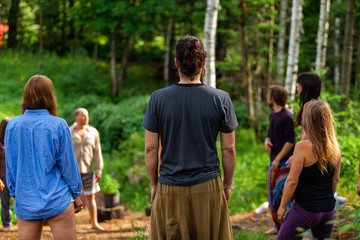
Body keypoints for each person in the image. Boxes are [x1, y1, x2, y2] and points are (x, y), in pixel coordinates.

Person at [143, 36, 238, 239]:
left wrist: (154, 184)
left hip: (169, 187)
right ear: (203, 63)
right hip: (209, 187)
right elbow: (229, 149)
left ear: (176, 62)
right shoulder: (221, 98)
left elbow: (150, 148)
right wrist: (227, 185)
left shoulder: (158, 98)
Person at [5, 75, 83, 240]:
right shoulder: (58, 124)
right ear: (50, 95)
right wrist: (76, 193)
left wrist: (14, 192)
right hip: (58, 198)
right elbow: (68, 164)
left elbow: (10, 164)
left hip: (26, 198)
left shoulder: (12, 125)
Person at [277, 100, 341, 240]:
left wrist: (282, 206)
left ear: (309, 121)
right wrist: (325, 199)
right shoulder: (335, 148)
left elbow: (292, 181)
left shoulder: (302, 147)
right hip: (328, 210)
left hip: (304, 210)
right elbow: (335, 179)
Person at [264, 85, 295, 230]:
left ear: (273, 98)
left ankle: (288, 227)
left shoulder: (287, 116)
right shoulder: (272, 115)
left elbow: (290, 142)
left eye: (269, 94)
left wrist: (277, 159)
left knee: (286, 197)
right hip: (274, 161)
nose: (267, 97)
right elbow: (270, 134)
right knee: (273, 195)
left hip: (284, 163)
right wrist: (266, 140)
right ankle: (278, 227)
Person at [69, 108, 104, 231]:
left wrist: (99, 169)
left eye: (87, 115)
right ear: (76, 117)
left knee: (91, 197)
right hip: (73, 172)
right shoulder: (69, 131)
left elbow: (98, 152)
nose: (85, 118)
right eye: (82, 116)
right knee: (70, 199)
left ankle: (94, 223)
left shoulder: (93, 132)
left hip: (88, 170)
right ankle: (70, 226)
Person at [0, 117, 11, 231]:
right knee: (5, 201)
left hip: (11, 176)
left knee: (8, 201)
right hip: (2, 176)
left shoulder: (11, 140)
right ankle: (6, 224)